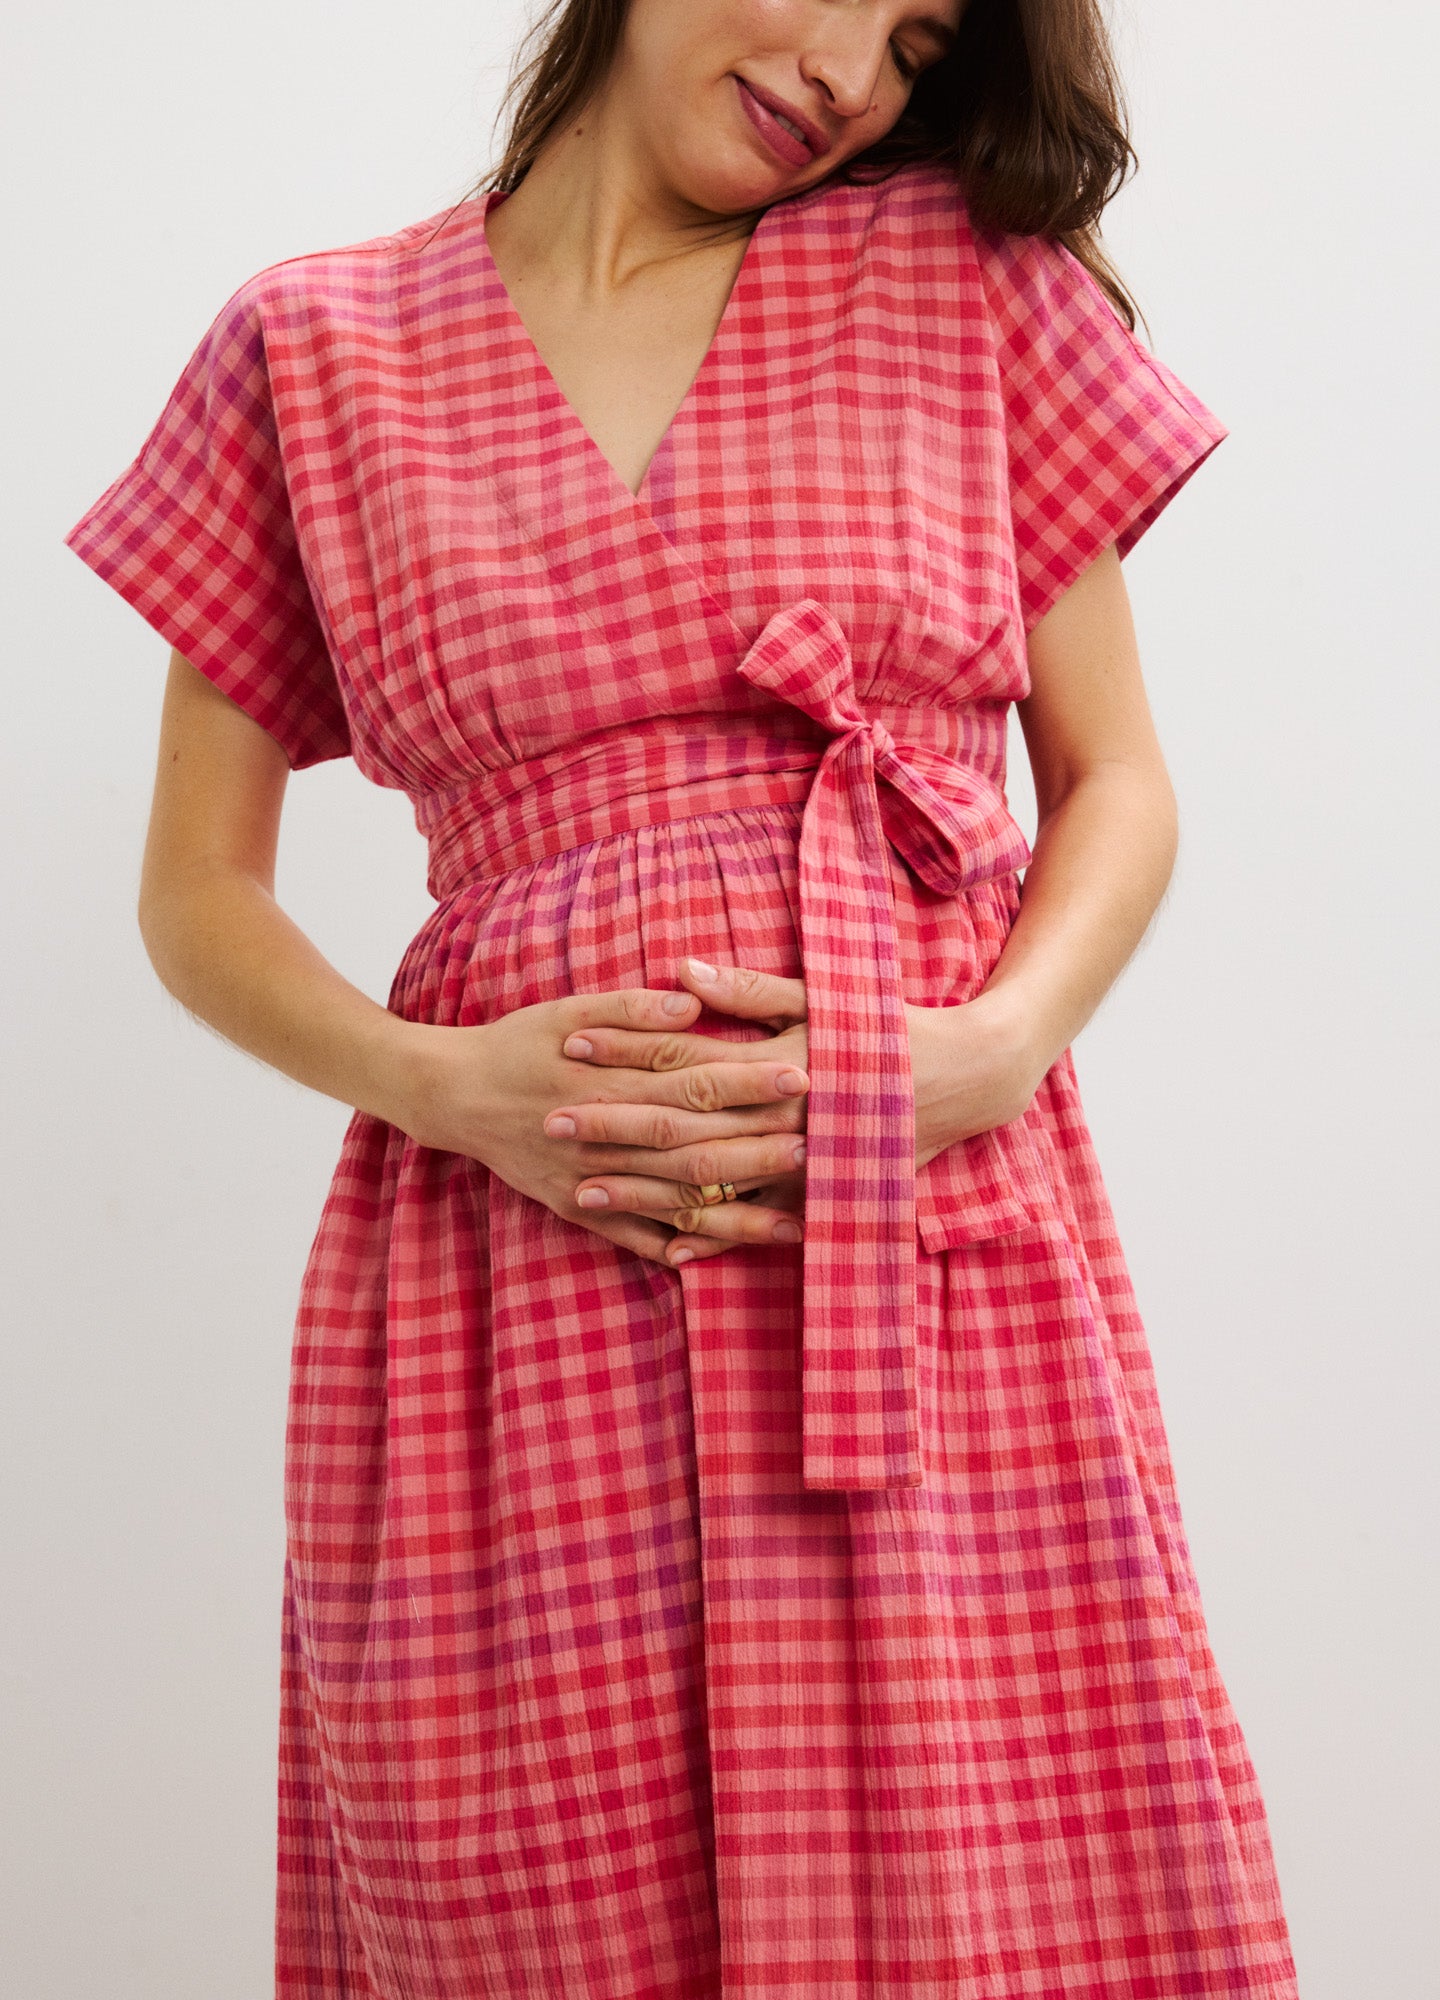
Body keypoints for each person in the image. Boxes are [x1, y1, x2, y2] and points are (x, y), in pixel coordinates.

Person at [62, 0, 1302, 1993]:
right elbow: (194, 895)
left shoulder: (963, 280)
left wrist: (980, 1056)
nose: (853, 77)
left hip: (913, 1263)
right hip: (505, 1284)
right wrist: (444, 1084)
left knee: (991, 1910)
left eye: (917, 44)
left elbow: (1121, 782)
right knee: (540, 1912)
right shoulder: (311, 347)